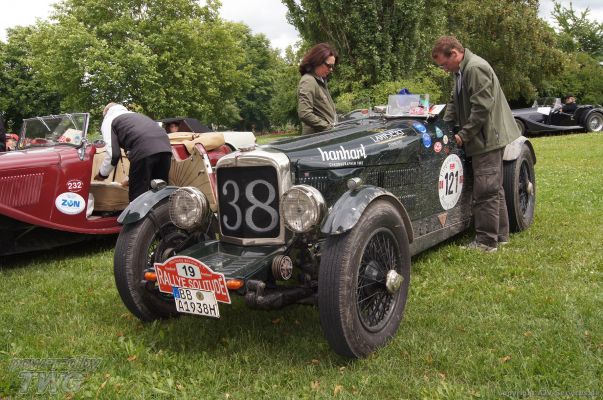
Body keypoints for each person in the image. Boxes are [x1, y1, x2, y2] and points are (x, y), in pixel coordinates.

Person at [432, 36, 520, 253]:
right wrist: (444, 126)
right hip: (484, 137)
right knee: (494, 188)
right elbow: (454, 103)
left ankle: (486, 242)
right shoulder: (461, 71)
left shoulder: (475, 68)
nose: (444, 69)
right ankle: (501, 236)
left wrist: (464, 135)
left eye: (444, 63)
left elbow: (481, 108)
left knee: (485, 190)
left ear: (454, 53)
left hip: (487, 139)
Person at [94, 103, 172, 202]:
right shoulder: (136, 116)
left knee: (137, 197)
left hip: (144, 149)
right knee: (159, 192)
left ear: (106, 113)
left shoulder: (109, 119)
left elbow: (113, 154)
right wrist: (129, 178)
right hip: (165, 148)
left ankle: (137, 212)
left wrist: (102, 174)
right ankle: (163, 211)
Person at [297, 43, 338, 135]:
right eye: (329, 65)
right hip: (317, 139)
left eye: (332, 66)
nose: (331, 69)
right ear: (317, 61)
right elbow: (304, 113)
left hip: (325, 137)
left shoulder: (320, 81)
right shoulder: (308, 80)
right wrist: (329, 128)